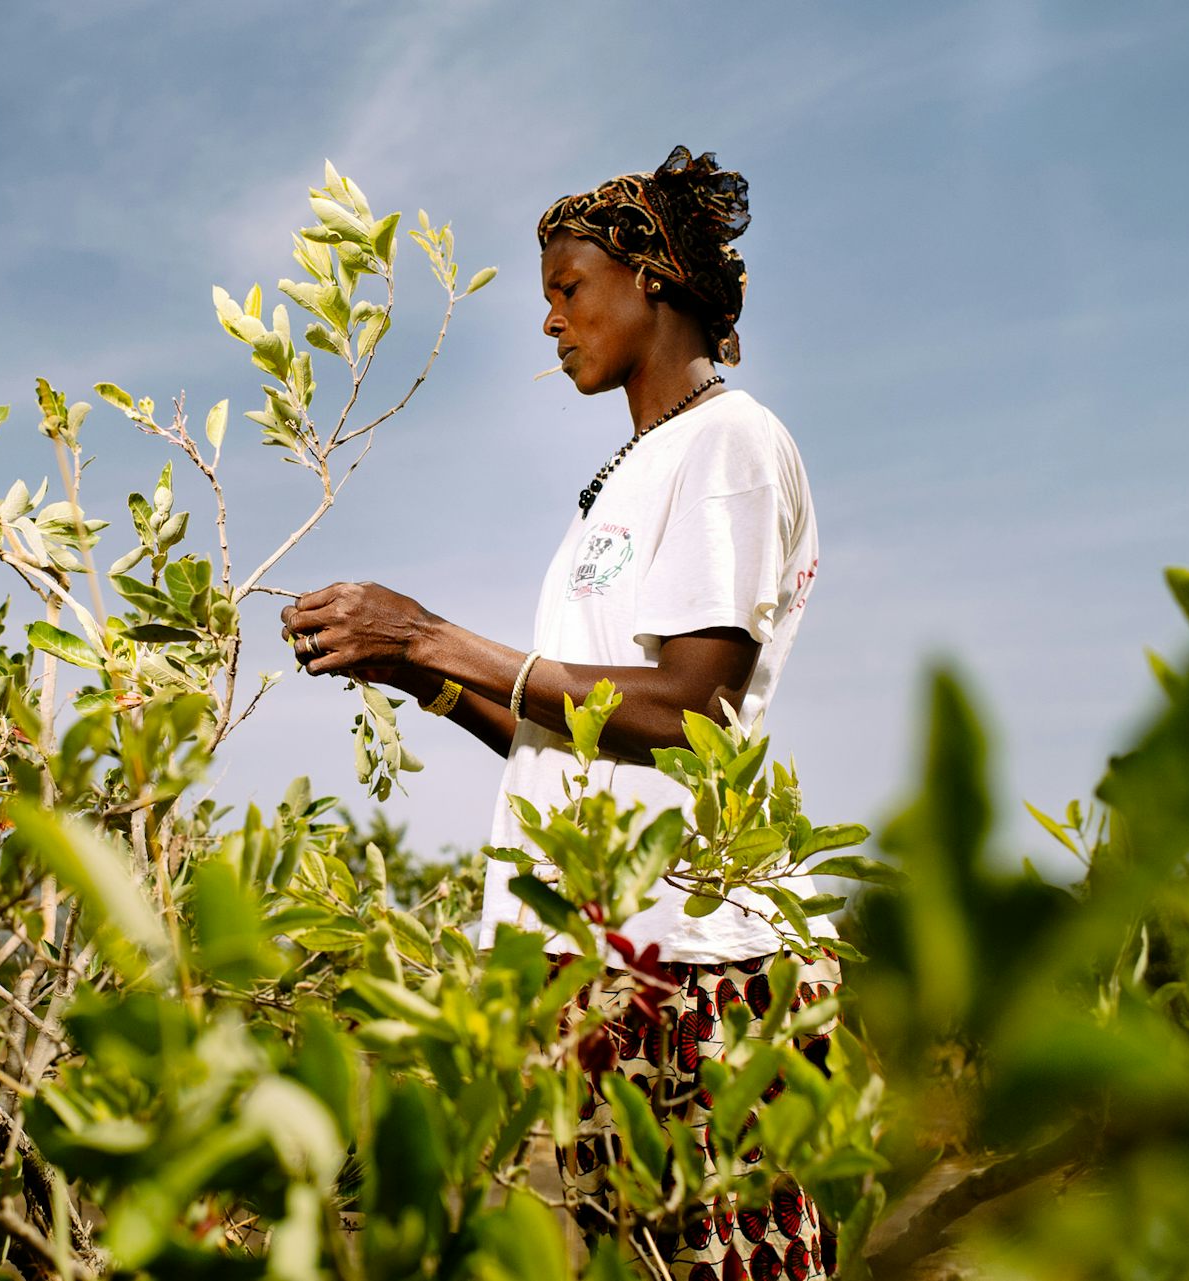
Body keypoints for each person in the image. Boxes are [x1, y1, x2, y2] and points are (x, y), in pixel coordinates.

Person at [278, 146, 838, 1277]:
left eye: (568, 291)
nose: (549, 324)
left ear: (656, 280)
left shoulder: (727, 442)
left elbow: (692, 709)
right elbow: (571, 735)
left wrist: (434, 632)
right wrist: (414, 675)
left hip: (695, 955)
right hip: (604, 952)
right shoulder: (636, 473)